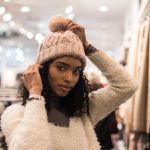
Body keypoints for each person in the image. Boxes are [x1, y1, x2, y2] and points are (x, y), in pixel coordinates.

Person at [1, 16, 138, 150]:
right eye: (61, 67)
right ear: (41, 69)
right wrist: (35, 94)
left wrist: (88, 48)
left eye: (77, 71)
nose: (70, 78)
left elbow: (126, 86)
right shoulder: (16, 114)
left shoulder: (82, 111)